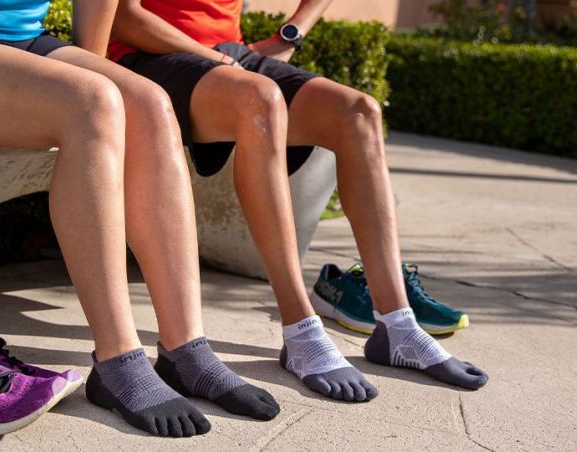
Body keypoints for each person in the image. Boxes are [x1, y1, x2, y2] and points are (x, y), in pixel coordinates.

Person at [0, 0, 278, 437]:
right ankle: (118, 360)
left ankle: (186, 350)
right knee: (94, 100)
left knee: (151, 103)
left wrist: (92, 86)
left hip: (23, 41)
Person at [109, 0, 489, 399]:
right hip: (147, 60)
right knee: (262, 100)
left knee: (359, 112)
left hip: (229, 57)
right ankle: (301, 330)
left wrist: (291, 33)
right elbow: (122, 16)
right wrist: (216, 58)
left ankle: (397, 325)